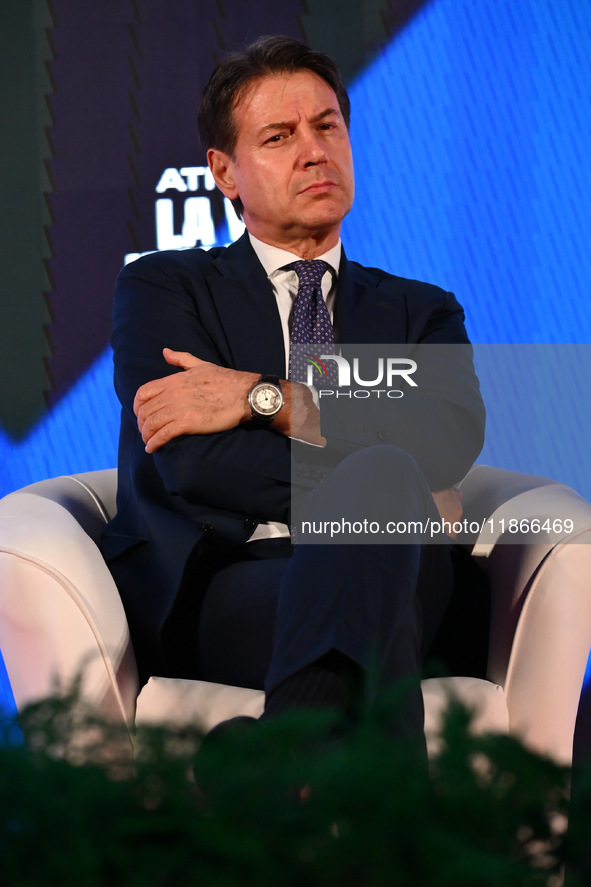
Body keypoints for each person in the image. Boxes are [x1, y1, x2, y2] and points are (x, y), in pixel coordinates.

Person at [100, 36, 486, 741]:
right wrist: (392, 490)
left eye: (326, 126)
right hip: (232, 581)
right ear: (224, 172)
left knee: (384, 489)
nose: (313, 152)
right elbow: (190, 460)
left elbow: (447, 436)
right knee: (385, 485)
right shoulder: (165, 286)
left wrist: (261, 397)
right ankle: (363, 815)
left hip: (404, 571)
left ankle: (281, 755)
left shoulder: (421, 308)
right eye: (278, 137)